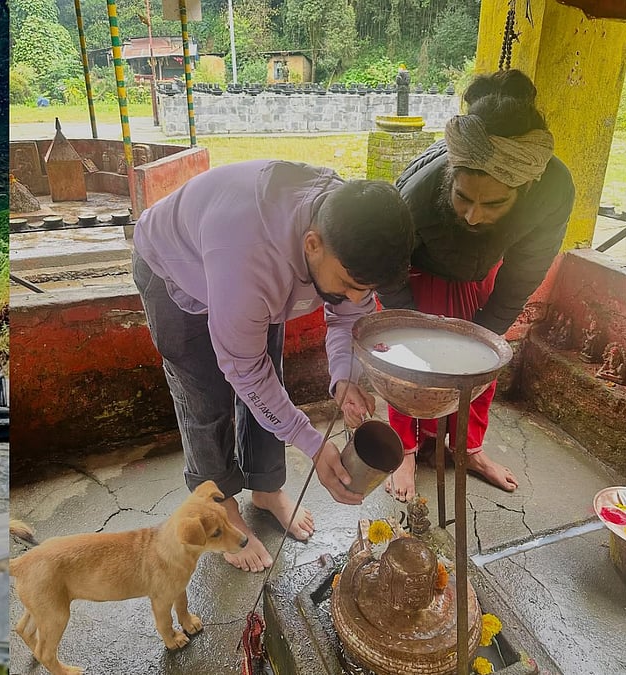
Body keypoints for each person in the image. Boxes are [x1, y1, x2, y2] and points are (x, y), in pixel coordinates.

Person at [132, 160, 415, 572]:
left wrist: (342, 378)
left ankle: (266, 487)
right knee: (205, 398)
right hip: (176, 268)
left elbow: (347, 314)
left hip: (247, 278)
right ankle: (220, 505)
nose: (358, 299)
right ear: (312, 245)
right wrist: (315, 446)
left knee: (270, 384)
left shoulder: (343, 223)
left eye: (367, 290)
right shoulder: (248, 259)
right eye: (352, 286)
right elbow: (244, 369)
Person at [379, 69, 574, 501]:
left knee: (482, 366)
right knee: (409, 370)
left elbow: (524, 273)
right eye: (463, 198)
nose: (473, 216)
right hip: (417, 275)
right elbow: (388, 269)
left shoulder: (553, 189)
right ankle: (406, 451)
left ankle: (467, 448)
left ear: (524, 188)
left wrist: (485, 335)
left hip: (482, 275)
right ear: (450, 177)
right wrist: (410, 330)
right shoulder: (416, 195)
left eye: (494, 203)